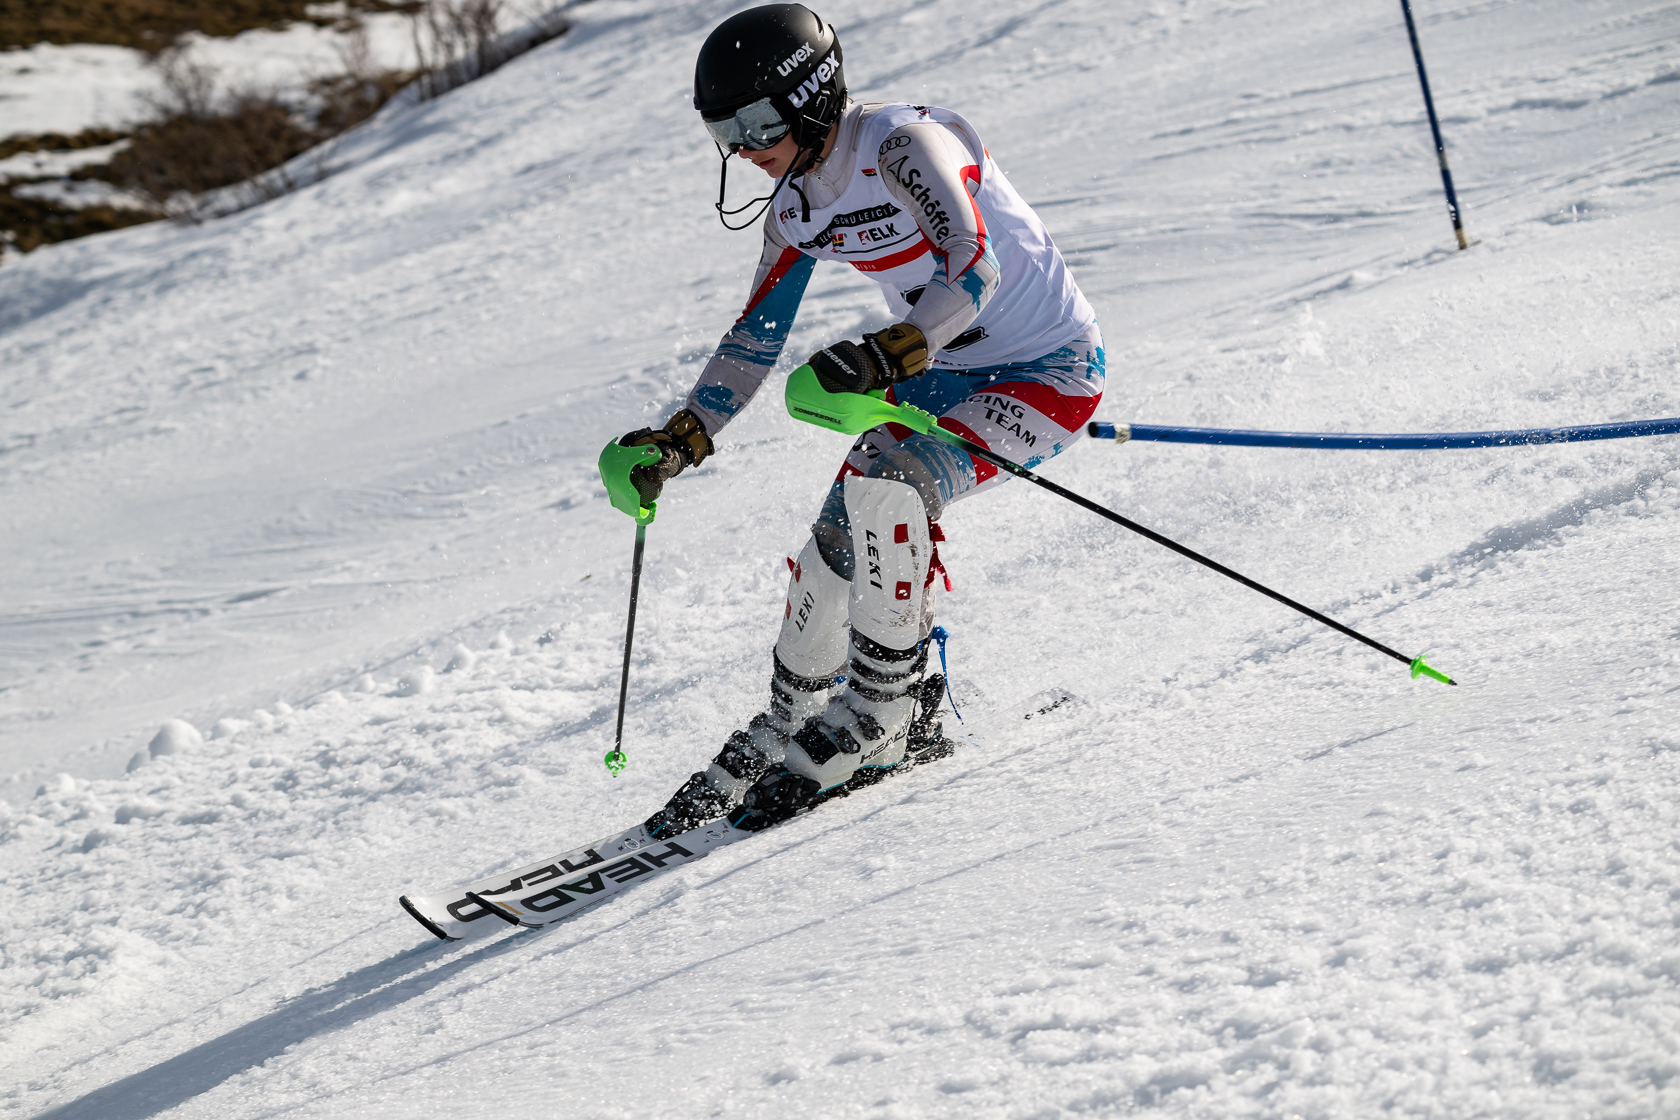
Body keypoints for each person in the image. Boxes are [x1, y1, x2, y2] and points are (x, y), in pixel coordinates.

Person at [612, 3, 1102, 834]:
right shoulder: (796, 207)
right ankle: (791, 717)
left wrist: (893, 349)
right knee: (843, 527)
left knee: (897, 483)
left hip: (1047, 369)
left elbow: (971, 263)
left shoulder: (904, 147)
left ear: (810, 97)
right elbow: (755, 337)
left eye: (757, 120)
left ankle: (885, 712)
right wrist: (685, 435)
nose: (745, 147)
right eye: (722, 130)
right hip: (948, 371)